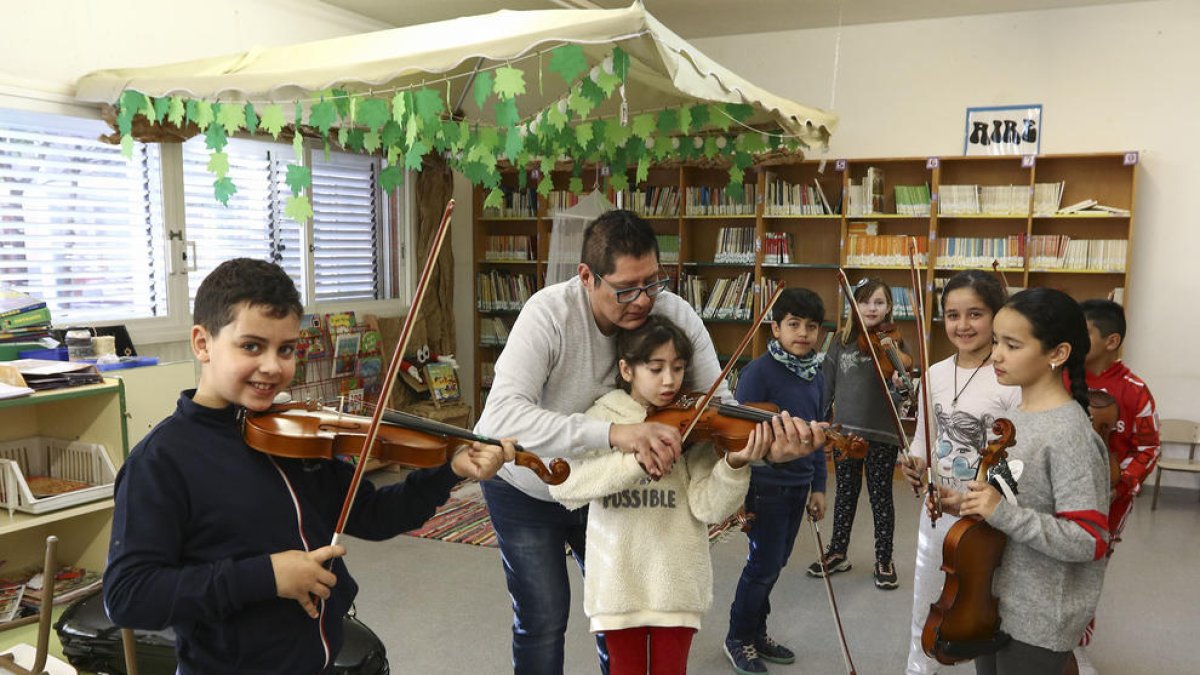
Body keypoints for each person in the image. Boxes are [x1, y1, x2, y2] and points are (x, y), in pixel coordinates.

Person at [103, 258, 516, 674]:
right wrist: (267, 575)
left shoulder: (292, 435)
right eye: (251, 346)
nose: (272, 366)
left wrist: (450, 471)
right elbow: (128, 595)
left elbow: (373, 515)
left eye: (285, 349)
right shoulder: (161, 461)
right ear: (202, 343)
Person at [474, 209, 825, 674]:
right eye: (626, 289)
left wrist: (760, 449)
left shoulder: (672, 311)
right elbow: (499, 417)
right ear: (586, 277)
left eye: (652, 282)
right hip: (528, 484)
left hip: (610, 487)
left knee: (618, 611)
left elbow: (714, 410)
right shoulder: (549, 314)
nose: (642, 300)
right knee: (542, 617)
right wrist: (617, 434)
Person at [548, 315, 770, 675]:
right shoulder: (604, 418)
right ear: (627, 368)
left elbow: (708, 507)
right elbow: (565, 486)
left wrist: (734, 464)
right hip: (619, 584)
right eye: (656, 368)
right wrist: (635, 461)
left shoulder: (693, 424)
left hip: (676, 582)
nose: (670, 380)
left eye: (679, 368)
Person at [935, 288, 1111, 675]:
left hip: (1041, 615)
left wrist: (1001, 513)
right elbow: (1012, 496)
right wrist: (968, 502)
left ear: (1057, 354)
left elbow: (1090, 539)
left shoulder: (1070, 435)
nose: (996, 354)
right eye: (997, 340)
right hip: (993, 598)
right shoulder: (1020, 414)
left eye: (1012, 345)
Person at [899, 270, 1020, 675]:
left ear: (997, 316)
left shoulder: (1010, 379)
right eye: (952, 315)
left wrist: (984, 497)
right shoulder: (933, 373)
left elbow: (1017, 461)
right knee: (928, 603)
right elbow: (923, 440)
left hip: (988, 518)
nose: (962, 325)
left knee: (987, 610)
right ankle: (918, 669)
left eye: (975, 314)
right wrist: (915, 463)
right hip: (936, 514)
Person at [722, 287, 830, 675]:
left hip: (798, 487)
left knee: (774, 565)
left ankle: (756, 631)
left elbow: (817, 439)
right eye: (794, 324)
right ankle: (737, 636)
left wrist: (819, 486)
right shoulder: (757, 374)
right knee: (762, 566)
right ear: (776, 328)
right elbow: (739, 438)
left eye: (811, 326)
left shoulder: (817, 374)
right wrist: (738, 494)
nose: (803, 333)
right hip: (765, 486)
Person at [1067, 299, 1160, 674]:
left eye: (1083, 332)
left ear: (1111, 340)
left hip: (1110, 500)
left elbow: (1149, 447)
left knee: (1090, 571)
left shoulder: (1135, 390)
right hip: (1062, 491)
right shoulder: (1061, 376)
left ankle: (1077, 645)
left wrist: (1124, 482)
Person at [809, 278, 909, 590]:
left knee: (881, 499)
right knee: (845, 494)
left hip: (880, 432)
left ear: (888, 307)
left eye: (879, 302)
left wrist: (901, 389)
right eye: (865, 301)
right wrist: (822, 421)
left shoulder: (895, 344)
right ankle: (838, 552)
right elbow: (828, 384)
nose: (871, 308)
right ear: (855, 305)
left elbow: (898, 395)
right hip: (844, 434)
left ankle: (884, 558)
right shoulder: (840, 341)